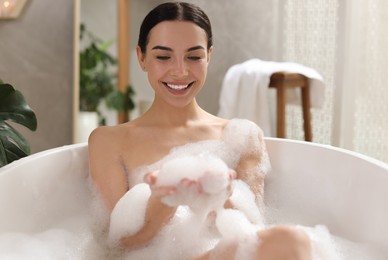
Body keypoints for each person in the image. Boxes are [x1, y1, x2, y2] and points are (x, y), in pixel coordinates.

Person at [88, 2, 312, 259]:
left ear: (209, 56)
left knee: (291, 241)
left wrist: (216, 198)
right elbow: (113, 246)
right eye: (163, 56)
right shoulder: (109, 141)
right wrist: (162, 204)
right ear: (141, 57)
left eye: (194, 57)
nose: (180, 71)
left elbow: (254, 225)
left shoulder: (243, 136)